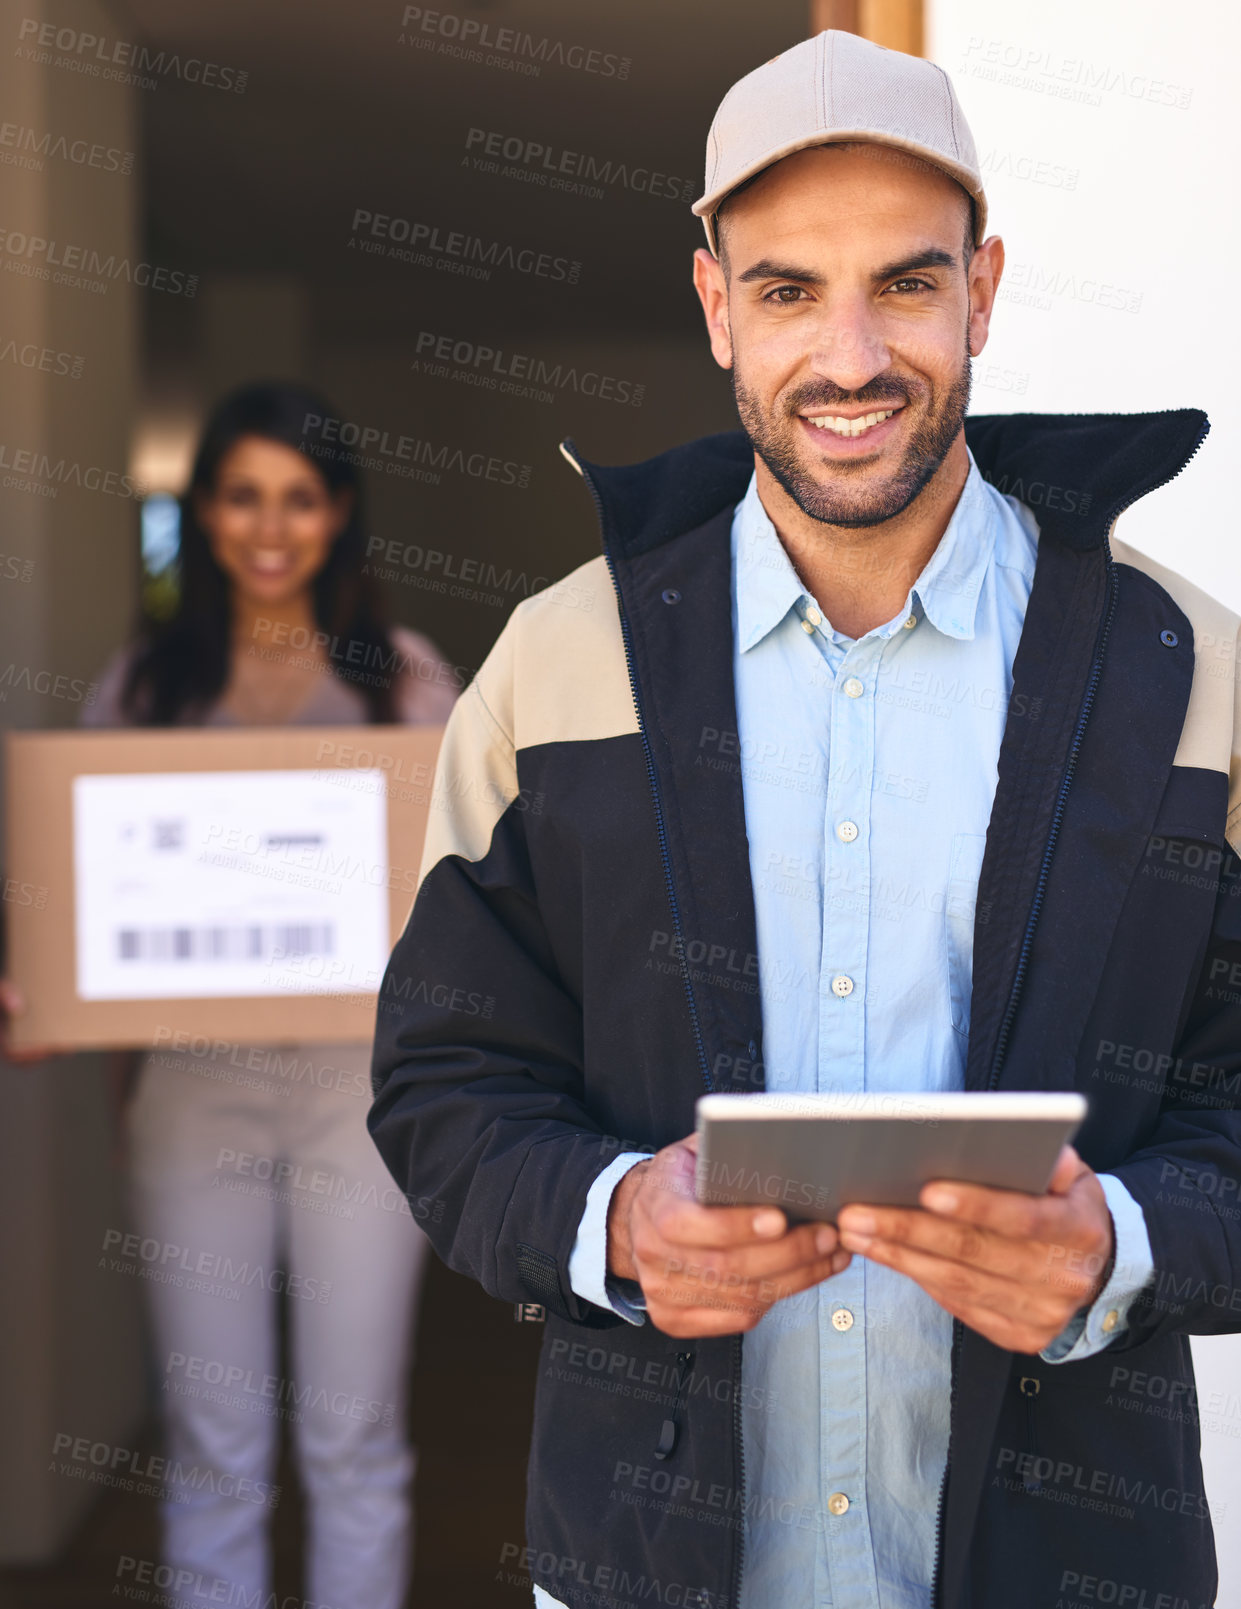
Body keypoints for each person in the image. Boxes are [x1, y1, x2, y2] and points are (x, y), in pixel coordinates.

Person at [369, 29, 1237, 1609]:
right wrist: (610, 1221)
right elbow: (445, 1079)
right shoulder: (558, 665)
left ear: (982, 290)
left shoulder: (1190, 678)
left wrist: (1123, 1241)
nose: (849, 358)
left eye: (903, 286)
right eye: (785, 291)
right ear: (714, 305)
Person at [12, 381, 456, 1609]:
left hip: (358, 1104)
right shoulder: (144, 686)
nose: (271, 527)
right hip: (191, 1097)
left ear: (341, 515)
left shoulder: (410, 685)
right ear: (205, 513)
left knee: (352, 1438)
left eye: (299, 499)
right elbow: (84, 915)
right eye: (242, 495)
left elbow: (476, 910)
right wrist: (55, 1007)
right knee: (214, 1447)